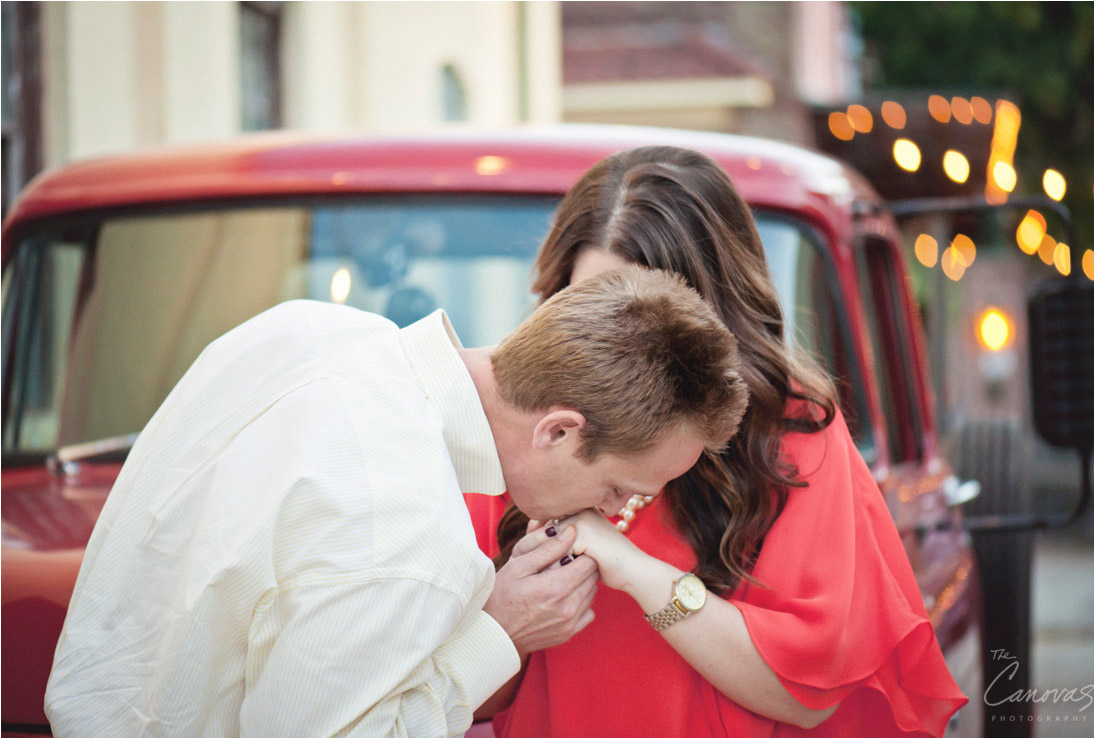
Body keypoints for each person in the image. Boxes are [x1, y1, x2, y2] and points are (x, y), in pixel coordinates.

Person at [44, 266, 750, 737]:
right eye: (619, 489)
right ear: (560, 430)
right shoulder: (405, 532)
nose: (614, 513)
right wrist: (494, 635)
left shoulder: (303, 329)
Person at [466, 147, 969, 737]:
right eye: (588, 308)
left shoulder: (791, 434)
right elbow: (461, 698)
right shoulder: (517, 438)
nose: (612, 340)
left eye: (643, 313)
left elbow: (809, 693)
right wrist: (507, 625)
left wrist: (635, 571)